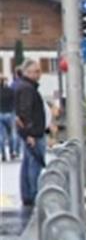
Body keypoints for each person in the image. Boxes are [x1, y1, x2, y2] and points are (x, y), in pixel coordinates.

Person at [12, 60, 48, 207]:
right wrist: (30, 134)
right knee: (34, 165)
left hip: (31, 132)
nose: (39, 74)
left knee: (28, 164)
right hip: (34, 134)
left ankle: (28, 194)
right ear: (27, 72)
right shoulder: (28, 89)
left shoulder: (23, 87)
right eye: (36, 71)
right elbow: (25, 113)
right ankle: (33, 194)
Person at [0, 76, 19, 162]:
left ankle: (3, 154)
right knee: (11, 134)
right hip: (10, 114)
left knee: (1, 136)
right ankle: (12, 153)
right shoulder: (11, 91)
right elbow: (15, 102)